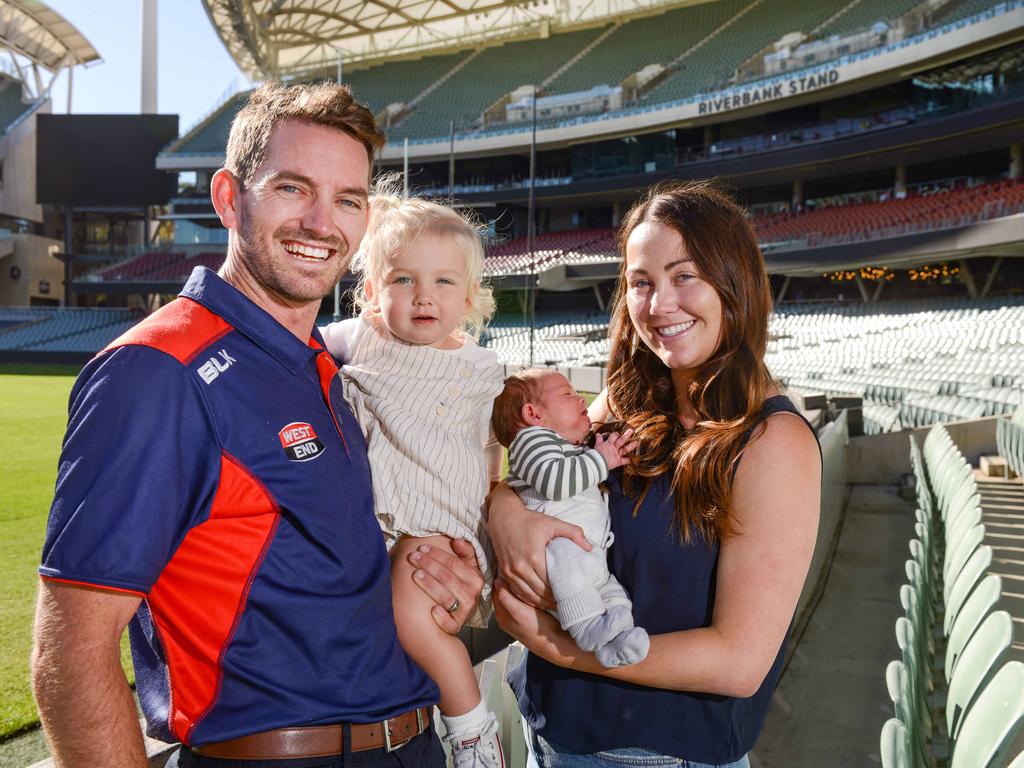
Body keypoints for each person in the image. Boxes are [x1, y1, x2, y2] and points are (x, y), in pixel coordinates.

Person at [31, 81, 483, 768]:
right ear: (227, 198)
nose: (321, 222)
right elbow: (71, 653)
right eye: (292, 189)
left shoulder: (325, 365)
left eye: (348, 200)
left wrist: (429, 564)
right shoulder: (159, 370)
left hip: (412, 744)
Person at [482, 181, 822, 766]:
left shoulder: (774, 441)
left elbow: (739, 663)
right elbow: (536, 474)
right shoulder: (625, 400)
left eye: (683, 276)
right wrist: (505, 513)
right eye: (642, 282)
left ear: (732, 281)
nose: (659, 305)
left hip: (655, 755)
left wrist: (563, 650)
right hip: (550, 732)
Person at [320, 187, 506, 767]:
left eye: (444, 282)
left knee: (413, 620)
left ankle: (473, 728)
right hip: (382, 517)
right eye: (403, 280)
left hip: (437, 523)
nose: (424, 296)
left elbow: (488, 447)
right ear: (371, 293)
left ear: (471, 297)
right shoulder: (359, 340)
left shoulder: (478, 366)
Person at [490, 369, 647, 668]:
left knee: (609, 591)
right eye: (568, 394)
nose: (581, 399)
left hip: (585, 552)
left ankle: (617, 640)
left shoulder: (560, 443)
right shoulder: (531, 440)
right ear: (533, 413)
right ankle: (587, 628)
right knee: (572, 567)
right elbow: (554, 482)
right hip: (558, 552)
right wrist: (602, 459)